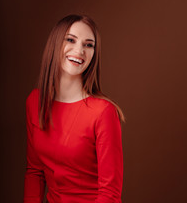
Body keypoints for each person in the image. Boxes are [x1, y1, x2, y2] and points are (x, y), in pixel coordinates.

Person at [23, 14, 125, 203]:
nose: (80, 50)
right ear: (55, 44)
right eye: (70, 40)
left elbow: (109, 193)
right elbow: (35, 172)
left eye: (89, 45)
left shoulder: (103, 112)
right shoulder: (35, 101)